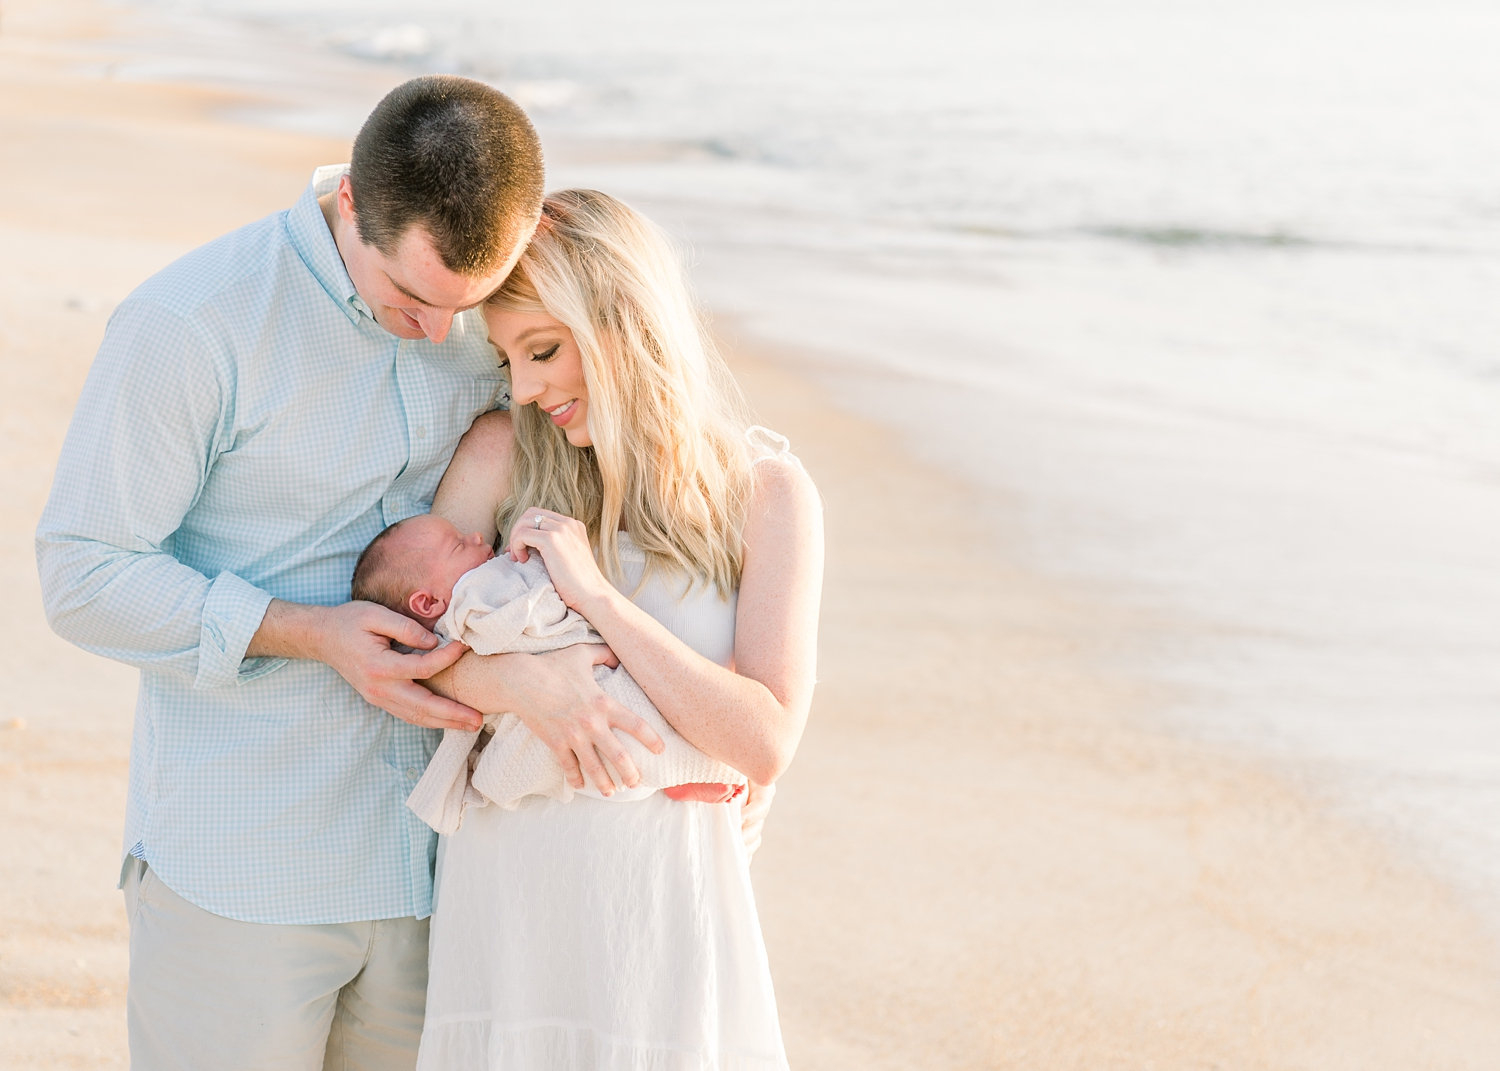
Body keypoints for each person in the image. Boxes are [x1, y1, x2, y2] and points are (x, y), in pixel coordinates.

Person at [35, 76, 663, 1070]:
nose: (435, 330)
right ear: (347, 206)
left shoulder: (491, 316)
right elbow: (80, 572)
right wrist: (307, 629)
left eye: (461, 307)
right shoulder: (192, 325)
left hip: (450, 875)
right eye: (408, 299)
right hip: (244, 868)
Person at [413, 188, 824, 1070]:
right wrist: (521, 685)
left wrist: (598, 598)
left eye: (545, 350)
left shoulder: (764, 494)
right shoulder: (502, 454)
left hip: (666, 912)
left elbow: (764, 738)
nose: (525, 387)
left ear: (623, 320)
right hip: (513, 900)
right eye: (509, 357)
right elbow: (406, 649)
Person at [350, 512, 747, 818]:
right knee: (621, 725)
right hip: (552, 700)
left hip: (563, 683)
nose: (477, 536)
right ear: (427, 604)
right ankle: (687, 769)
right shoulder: (472, 598)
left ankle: (679, 771)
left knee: (619, 721)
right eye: (458, 545)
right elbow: (516, 618)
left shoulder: (463, 597)